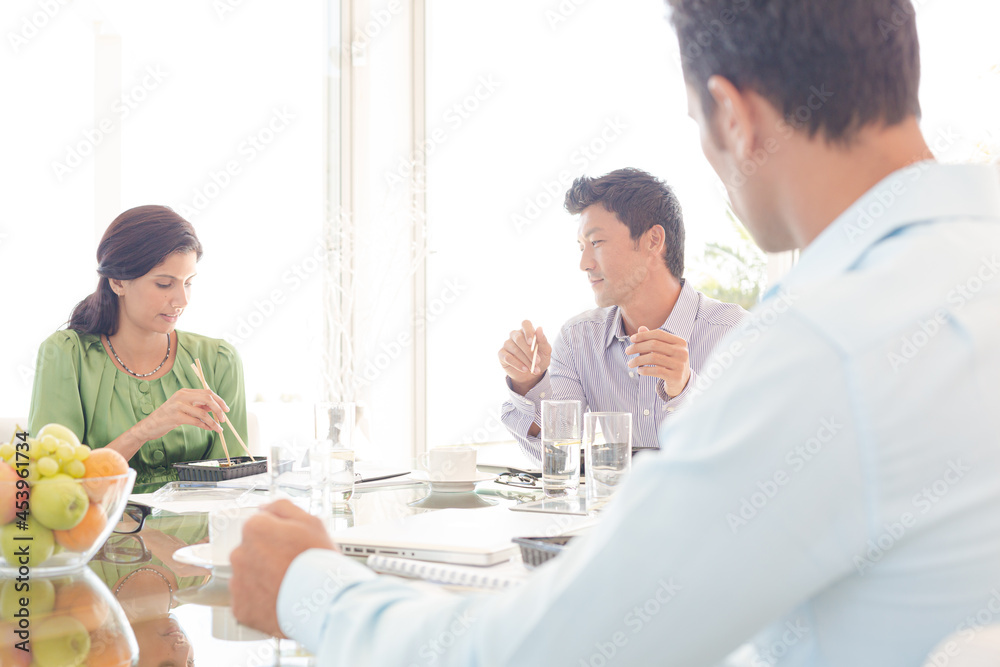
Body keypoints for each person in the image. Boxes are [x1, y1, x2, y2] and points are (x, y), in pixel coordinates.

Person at [229, 1, 1000, 664]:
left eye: (699, 123)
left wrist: (310, 585)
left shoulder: (822, 345)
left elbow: (544, 654)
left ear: (733, 115)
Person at [499, 168, 747, 459]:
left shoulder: (736, 334)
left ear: (653, 240)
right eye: (581, 247)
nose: (584, 263)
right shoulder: (579, 339)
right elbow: (557, 458)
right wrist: (529, 383)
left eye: (596, 243)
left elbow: (747, 455)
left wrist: (683, 389)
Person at [27, 205, 247, 493]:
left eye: (188, 283)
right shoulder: (66, 356)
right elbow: (52, 490)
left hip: (200, 537)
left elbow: (235, 487)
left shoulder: (219, 360)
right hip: (104, 535)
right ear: (118, 281)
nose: (182, 299)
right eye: (164, 284)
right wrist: (146, 429)